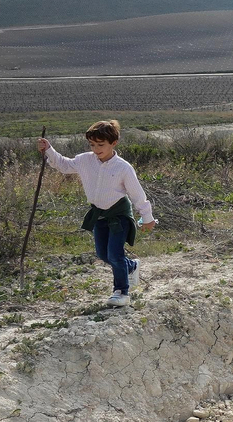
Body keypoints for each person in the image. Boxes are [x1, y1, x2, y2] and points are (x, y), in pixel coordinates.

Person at [38, 120, 156, 309]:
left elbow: (137, 194)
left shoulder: (123, 167)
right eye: (92, 144)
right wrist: (49, 149)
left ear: (114, 143)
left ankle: (121, 292)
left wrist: (147, 218)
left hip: (119, 215)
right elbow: (64, 165)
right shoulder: (85, 160)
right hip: (98, 214)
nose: (96, 149)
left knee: (115, 254)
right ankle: (131, 267)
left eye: (101, 145)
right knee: (103, 254)